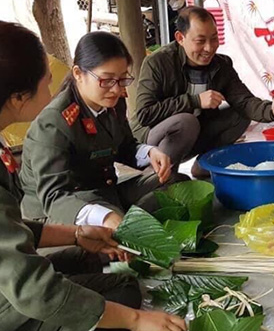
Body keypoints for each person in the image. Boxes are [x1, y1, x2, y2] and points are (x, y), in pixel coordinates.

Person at [0, 21, 186, 331]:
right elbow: (33, 285)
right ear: (19, 97)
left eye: (122, 80)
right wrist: (135, 320)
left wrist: (76, 235)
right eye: (47, 83)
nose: (52, 92)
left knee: (106, 263)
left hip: (5, 265)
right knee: (112, 305)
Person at [20, 32, 179, 230]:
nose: (116, 89)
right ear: (78, 74)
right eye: (107, 80)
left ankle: (127, 220)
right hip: (62, 211)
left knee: (176, 183)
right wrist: (105, 217)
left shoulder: (113, 103)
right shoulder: (54, 123)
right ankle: (123, 223)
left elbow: (125, 146)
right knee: (117, 231)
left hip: (104, 192)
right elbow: (54, 197)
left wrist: (150, 153)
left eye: (122, 80)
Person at [131, 6, 274, 178]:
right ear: (180, 38)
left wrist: (272, 111)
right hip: (152, 139)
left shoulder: (221, 65)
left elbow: (244, 101)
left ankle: (206, 165)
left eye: (214, 39)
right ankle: (162, 175)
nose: (209, 48)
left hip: (194, 133)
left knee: (239, 114)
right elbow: (144, 114)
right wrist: (195, 101)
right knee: (186, 121)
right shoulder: (158, 63)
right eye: (200, 41)